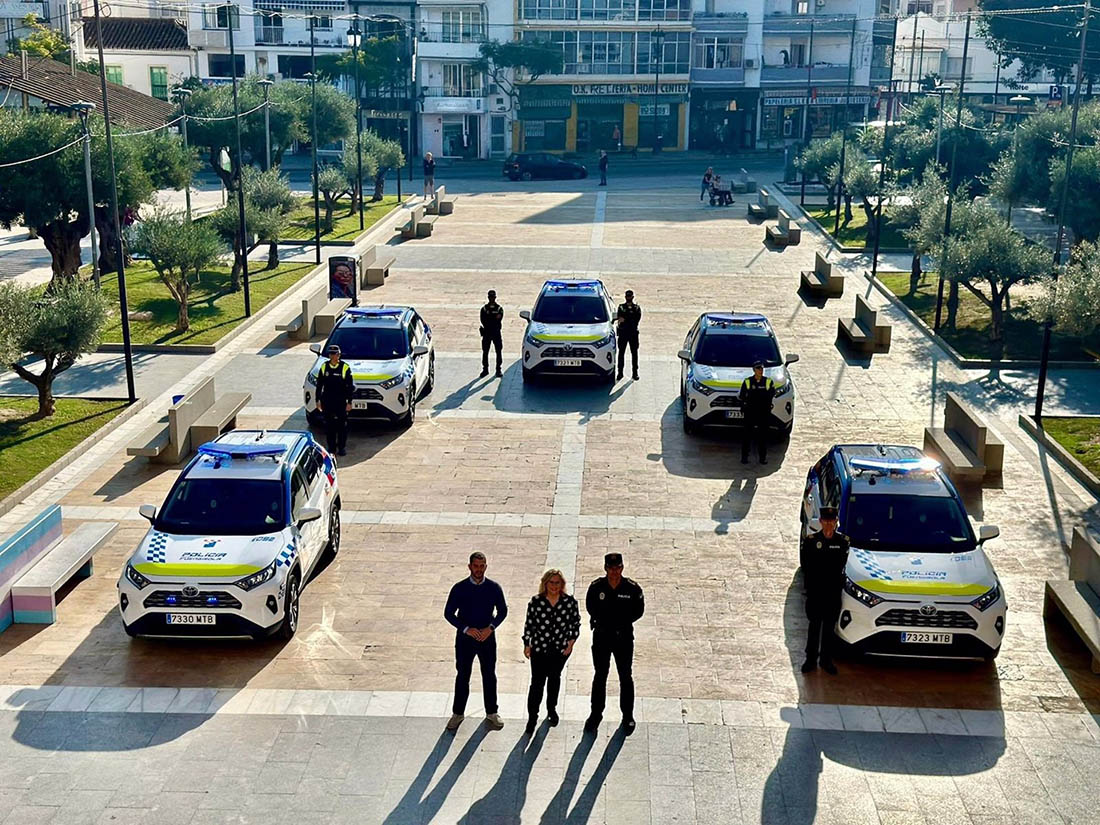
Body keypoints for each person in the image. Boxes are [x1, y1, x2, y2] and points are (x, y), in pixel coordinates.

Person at [444, 552, 508, 731]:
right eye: (476, 566)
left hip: (487, 638)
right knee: (463, 675)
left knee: (489, 674)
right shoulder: (459, 588)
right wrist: (466, 629)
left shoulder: (494, 587)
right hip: (466, 639)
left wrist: (491, 628)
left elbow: (502, 611)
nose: (479, 570)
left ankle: (492, 712)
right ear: (469, 566)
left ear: (486, 567)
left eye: (482, 566)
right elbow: (448, 613)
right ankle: (458, 713)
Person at [585, 552, 644, 735]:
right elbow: (590, 607)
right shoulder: (597, 587)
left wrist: (621, 622)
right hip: (602, 637)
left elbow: (638, 611)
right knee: (600, 675)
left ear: (622, 568)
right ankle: (595, 714)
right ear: (605, 568)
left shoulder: (632, 588)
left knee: (625, 676)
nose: (614, 572)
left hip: (623, 638)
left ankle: (627, 716)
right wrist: (605, 621)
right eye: (611, 568)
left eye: (617, 568)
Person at [522, 569, 581, 734]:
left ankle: (551, 709)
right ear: (545, 583)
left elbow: (575, 624)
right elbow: (529, 625)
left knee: (554, 680)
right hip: (540, 649)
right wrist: (527, 644)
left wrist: (570, 644)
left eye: (557, 583)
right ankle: (532, 717)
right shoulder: (536, 602)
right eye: (551, 582)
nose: (554, 586)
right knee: (537, 684)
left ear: (562, 585)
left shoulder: (569, 602)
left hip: (559, 650)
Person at [801, 507, 849, 675]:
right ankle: (811, 659)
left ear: (836, 522)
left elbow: (842, 565)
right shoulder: (811, 541)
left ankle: (826, 660)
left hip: (833, 593)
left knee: (829, 628)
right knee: (814, 626)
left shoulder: (843, 542)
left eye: (832, 521)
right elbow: (806, 566)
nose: (829, 524)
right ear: (821, 521)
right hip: (816, 592)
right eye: (826, 521)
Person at [315, 344, 354, 456]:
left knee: (342, 426)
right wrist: (318, 400)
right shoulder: (324, 367)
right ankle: (331, 448)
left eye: (335, 354)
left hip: (340, 402)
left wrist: (349, 402)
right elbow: (319, 385)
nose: (333, 356)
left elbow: (349, 386)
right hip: (327, 401)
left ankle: (341, 447)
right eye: (331, 354)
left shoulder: (344, 367)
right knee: (329, 426)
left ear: (339, 355)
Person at [739, 361, 776, 464]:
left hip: (763, 413)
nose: (760, 371)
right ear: (754, 370)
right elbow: (742, 396)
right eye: (758, 369)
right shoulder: (748, 381)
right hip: (750, 412)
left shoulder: (768, 382)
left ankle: (762, 458)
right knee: (747, 436)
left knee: (762, 437)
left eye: (762, 369)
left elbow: (772, 394)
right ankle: (744, 457)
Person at [615, 290, 641, 381]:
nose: (629, 298)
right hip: (623, 333)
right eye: (627, 296)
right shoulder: (621, 307)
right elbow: (620, 318)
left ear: (633, 297)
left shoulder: (637, 308)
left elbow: (636, 319)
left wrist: (626, 319)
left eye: (630, 296)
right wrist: (628, 318)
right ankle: (620, 372)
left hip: (633, 333)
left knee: (634, 353)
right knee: (621, 353)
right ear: (625, 297)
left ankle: (635, 373)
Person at [479, 290, 504, 378]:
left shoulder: (499, 308)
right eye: (490, 297)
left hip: (496, 332)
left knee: (498, 351)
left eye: (493, 297)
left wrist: (491, 319)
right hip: (487, 333)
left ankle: (498, 369)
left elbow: (499, 318)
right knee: (485, 351)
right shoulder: (484, 309)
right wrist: (492, 319)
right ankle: (485, 369)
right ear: (488, 298)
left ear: (495, 298)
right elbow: (483, 320)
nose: (492, 299)